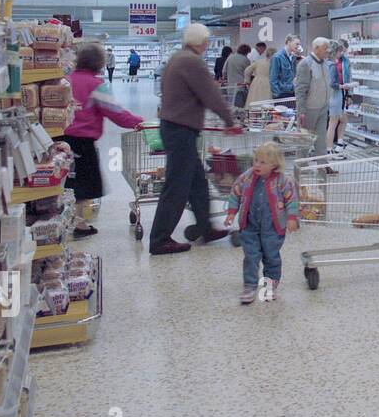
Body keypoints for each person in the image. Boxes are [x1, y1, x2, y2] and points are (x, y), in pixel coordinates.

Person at [147, 23, 240, 256]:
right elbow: (210, 94)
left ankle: (205, 227)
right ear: (203, 42)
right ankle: (159, 239)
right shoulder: (192, 61)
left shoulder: (178, 57)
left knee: (197, 182)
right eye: (207, 41)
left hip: (175, 127)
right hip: (181, 130)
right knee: (176, 186)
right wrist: (230, 121)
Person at [62, 41, 143, 236]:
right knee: (85, 183)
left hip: (61, 138)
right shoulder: (96, 84)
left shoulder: (66, 79)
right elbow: (114, 111)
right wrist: (138, 121)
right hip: (83, 140)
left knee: (67, 181)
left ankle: (65, 222)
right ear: (99, 62)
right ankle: (80, 225)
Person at [224, 141, 300, 306]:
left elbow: (291, 199)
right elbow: (235, 192)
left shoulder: (283, 181)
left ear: (274, 164)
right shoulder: (247, 177)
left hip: (273, 227)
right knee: (250, 256)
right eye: (256, 160)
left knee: (271, 257)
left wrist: (292, 218)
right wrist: (231, 212)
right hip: (249, 226)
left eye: (262, 162)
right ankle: (249, 286)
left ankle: (269, 286)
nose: (257, 164)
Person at [295, 37, 332, 149]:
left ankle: (322, 164)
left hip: (323, 106)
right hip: (309, 108)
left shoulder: (325, 63)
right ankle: (302, 165)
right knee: (304, 140)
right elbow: (300, 89)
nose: (328, 51)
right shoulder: (305, 64)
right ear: (316, 48)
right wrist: (301, 110)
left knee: (321, 138)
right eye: (326, 48)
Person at [327, 40, 351, 147]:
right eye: (341, 51)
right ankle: (330, 149)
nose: (342, 53)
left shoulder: (325, 62)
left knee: (339, 121)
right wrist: (342, 86)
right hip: (335, 96)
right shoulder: (332, 65)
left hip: (335, 96)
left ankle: (337, 145)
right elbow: (332, 83)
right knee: (332, 124)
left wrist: (349, 94)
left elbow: (348, 76)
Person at [269, 35, 301, 103]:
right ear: (289, 42)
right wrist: (277, 95)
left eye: (299, 44)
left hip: (292, 93)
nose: (298, 46)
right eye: (296, 44)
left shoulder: (293, 57)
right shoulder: (277, 57)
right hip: (281, 94)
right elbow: (273, 79)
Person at [225, 43, 252, 107]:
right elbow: (248, 73)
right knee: (240, 107)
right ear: (246, 52)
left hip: (230, 86)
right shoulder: (246, 60)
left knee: (231, 106)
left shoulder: (230, 58)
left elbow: (224, 71)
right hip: (241, 87)